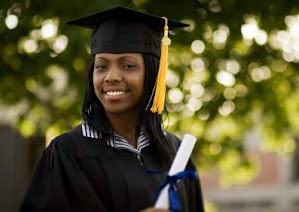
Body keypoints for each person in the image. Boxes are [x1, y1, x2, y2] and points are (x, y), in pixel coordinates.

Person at [20, 5, 204, 212]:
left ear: (153, 74)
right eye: (101, 66)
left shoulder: (175, 151)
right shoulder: (67, 152)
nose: (112, 76)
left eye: (128, 65)